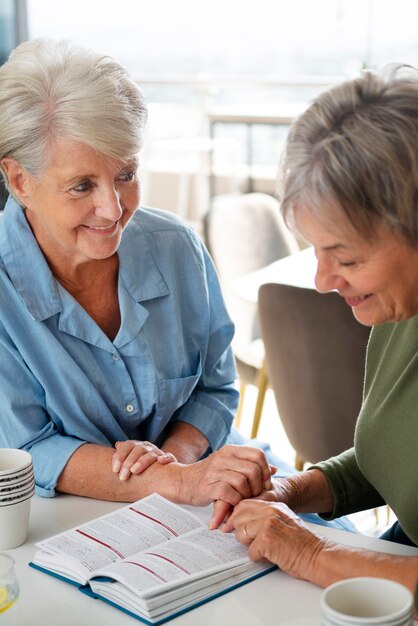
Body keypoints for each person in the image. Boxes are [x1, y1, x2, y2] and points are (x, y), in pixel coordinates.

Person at [0, 37, 275, 511]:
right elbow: (26, 446)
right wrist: (170, 483)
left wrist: (176, 463)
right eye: (82, 185)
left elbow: (215, 387)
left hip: (208, 485)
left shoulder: (177, 247)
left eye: (126, 174)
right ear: (21, 181)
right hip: (67, 519)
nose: (113, 209)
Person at [224, 67, 418, 602]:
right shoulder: (400, 311)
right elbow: (402, 457)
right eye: (316, 249)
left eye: (346, 257)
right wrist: (294, 490)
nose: (322, 281)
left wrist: (310, 551)